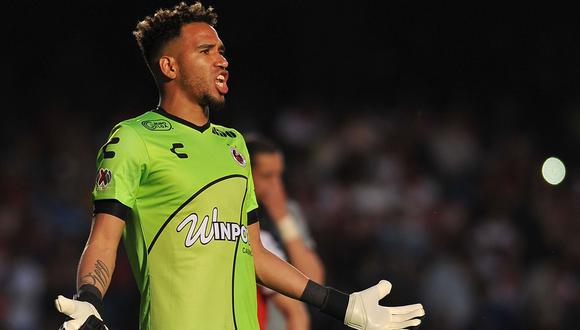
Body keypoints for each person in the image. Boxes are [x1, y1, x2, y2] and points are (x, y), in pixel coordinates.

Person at [53, 2, 425, 330]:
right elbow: (103, 239)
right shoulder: (135, 139)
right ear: (169, 65)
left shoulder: (233, 145)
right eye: (206, 50)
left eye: (221, 50)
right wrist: (89, 298)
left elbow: (256, 254)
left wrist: (344, 306)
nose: (222, 59)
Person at [246, 136, 325, 329]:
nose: (275, 185)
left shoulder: (288, 213)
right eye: (267, 176)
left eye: (279, 176)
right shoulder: (229, 211)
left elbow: (314, 280)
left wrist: (282, 219)